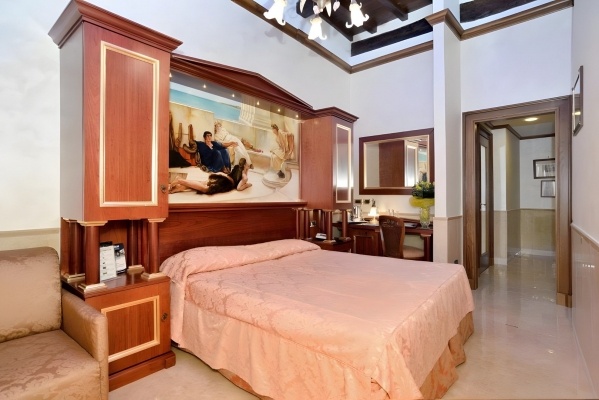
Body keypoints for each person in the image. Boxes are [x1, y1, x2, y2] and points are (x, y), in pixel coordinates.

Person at [169, 158, 252, 195]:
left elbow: (230, 174)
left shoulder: (237, 167)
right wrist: (247, 185)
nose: (249, 167)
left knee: (202, 184)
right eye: (248, 165)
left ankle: (178, 188)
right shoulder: (244, 176)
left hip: (222, 176)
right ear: (245, 166)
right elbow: (239, 188)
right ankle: (180, 180)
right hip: (226, 182)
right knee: (206, 189)